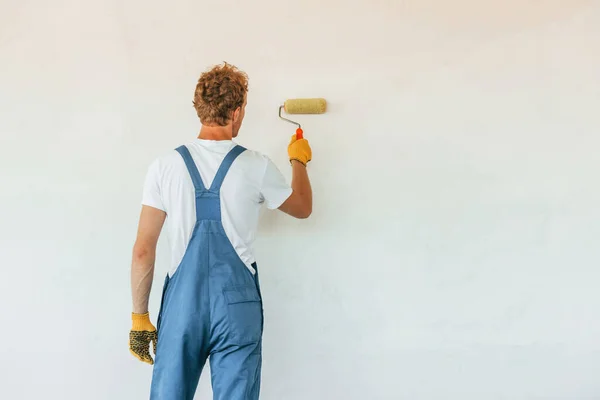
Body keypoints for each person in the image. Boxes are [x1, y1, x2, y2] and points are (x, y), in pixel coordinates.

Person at [128, 62, 313, 400]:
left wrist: (140, 318)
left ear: (199, 108)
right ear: (237, 111)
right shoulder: (255, 165)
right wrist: (298, 161)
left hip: (183, 310)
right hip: (236, 307)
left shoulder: (164, 166)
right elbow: (302, 208)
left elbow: (143, 249)